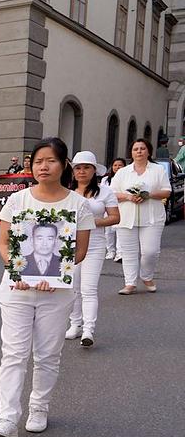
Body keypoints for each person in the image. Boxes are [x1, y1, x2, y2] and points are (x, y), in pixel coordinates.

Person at [0, 138, 94, 437]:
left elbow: (80, 251)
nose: (43, 166)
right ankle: (7, 417)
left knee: (47, 354)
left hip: (56, 292)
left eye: (50, 160)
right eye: (37, 161)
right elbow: (4, 242)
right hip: (16, 289)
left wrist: (53, 274)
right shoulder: (18, 200)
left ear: (64, 165)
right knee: (13, 353)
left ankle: (39, 407)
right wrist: (18, 270)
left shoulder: (78, 204)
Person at [65, 151, 120, 347]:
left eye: (86, 167)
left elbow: (115, 217)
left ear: (94, 170)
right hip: (70, 245)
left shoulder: (105, 192)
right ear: (73, 171)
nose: (82, 171)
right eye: (78, 168)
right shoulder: (66, 191)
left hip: (95, 243)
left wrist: (93, 222)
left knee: (88, 288)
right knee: (72, 288)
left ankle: (88, 329)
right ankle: (75, 324)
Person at [110, 138, 171, 295]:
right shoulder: (123, 172)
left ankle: (147, 276)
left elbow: (166, 191)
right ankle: (130, 283)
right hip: (126, 217)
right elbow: (111, 194)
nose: (139, 151)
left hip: (152, 218)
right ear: (131, 153)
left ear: (148, 151)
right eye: (135, 149)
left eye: (142, 148)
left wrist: (148, 195)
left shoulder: (158, 170)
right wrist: (128, 197)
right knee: (128, 252)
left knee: (150, 251)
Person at [101, 158, 126, 260]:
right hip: (108, 207)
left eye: (120, 165)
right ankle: (110, 251)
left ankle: (120, 253)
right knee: (108, 231)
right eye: (115, 165)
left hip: (122, 206)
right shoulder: (105, 180)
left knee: (120, 230)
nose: (117, 167)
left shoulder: (127, 178)